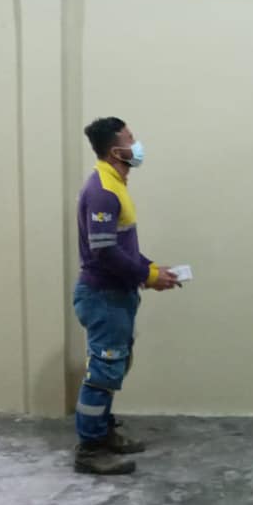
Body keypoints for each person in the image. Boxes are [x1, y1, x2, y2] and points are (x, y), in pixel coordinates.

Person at [73, 117, 179, 476]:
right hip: (103, 296)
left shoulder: (115, 184)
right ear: (115, 150)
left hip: (115, 294)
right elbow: (103, 251)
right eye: (130, 139)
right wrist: (147, 276)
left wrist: (151, 269)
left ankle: (102, 433)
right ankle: (89, 449)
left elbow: (122, 246)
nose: (137, 145)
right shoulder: (103, 190)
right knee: (103, 371)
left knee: (114, 366)